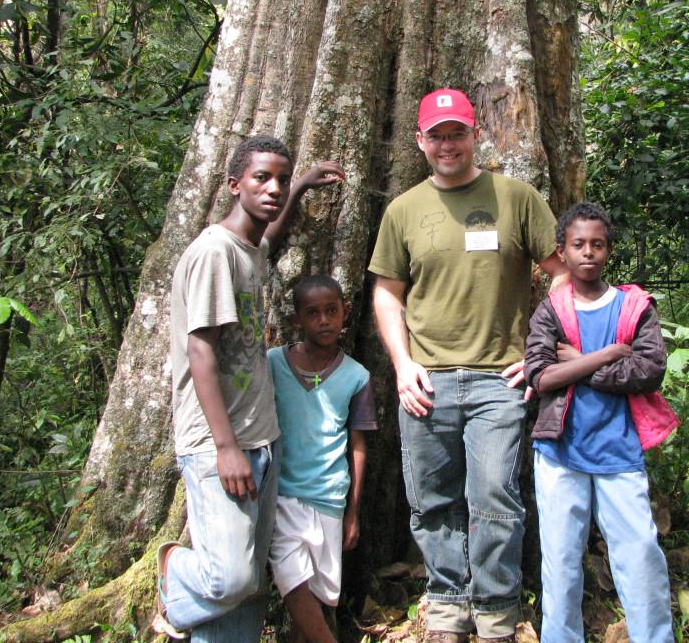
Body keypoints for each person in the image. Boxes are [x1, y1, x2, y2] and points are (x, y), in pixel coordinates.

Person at [369, 88, 565, 643]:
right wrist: (402, 365)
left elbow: (563, 273)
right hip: (426, 379)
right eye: (437, 135)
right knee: (431, 501)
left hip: (498, 378)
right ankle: (449, 602)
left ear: (475, 134)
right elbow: (387, 296)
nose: (448, 144)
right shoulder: (403, 210)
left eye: (457, 133)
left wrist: (538, 351)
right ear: (420, 141)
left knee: (495, 498)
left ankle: (498, 607)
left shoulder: (515, 197)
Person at [156, 135, 345, 642]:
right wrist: (225, 448)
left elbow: (267, 240)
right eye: (262, 178)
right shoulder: (214, 252)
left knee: (252, 584)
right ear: (233, 184)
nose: (274, 188)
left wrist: (301, 188)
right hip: (221, 444)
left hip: (263, 437)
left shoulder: (247, 248)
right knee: (231, 576)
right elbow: (201, 351)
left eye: (281, 178)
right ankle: (173, 575)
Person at [523, 201, 677, 643]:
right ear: (562, 251)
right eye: (578, 245)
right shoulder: (550, 310)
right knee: (561, 559)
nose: (588, 253)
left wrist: (582, 364)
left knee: (640, 553)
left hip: (620, 450)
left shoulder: (633, 306)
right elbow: (541, 374)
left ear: (609, 250)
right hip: (560, 452)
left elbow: (650, 369)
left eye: (597, 244)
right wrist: (608, 355)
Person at [268, 275, 377, 643]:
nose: (324, 321)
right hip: (281, 495)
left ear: (345, 312)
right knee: (292, 581)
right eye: (312, 313)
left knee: (320, 594)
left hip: (330, 498)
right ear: (297, 319)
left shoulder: (356, 376)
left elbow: (357, 443)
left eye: (332, 311)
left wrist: (353, 511)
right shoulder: (273, 364)